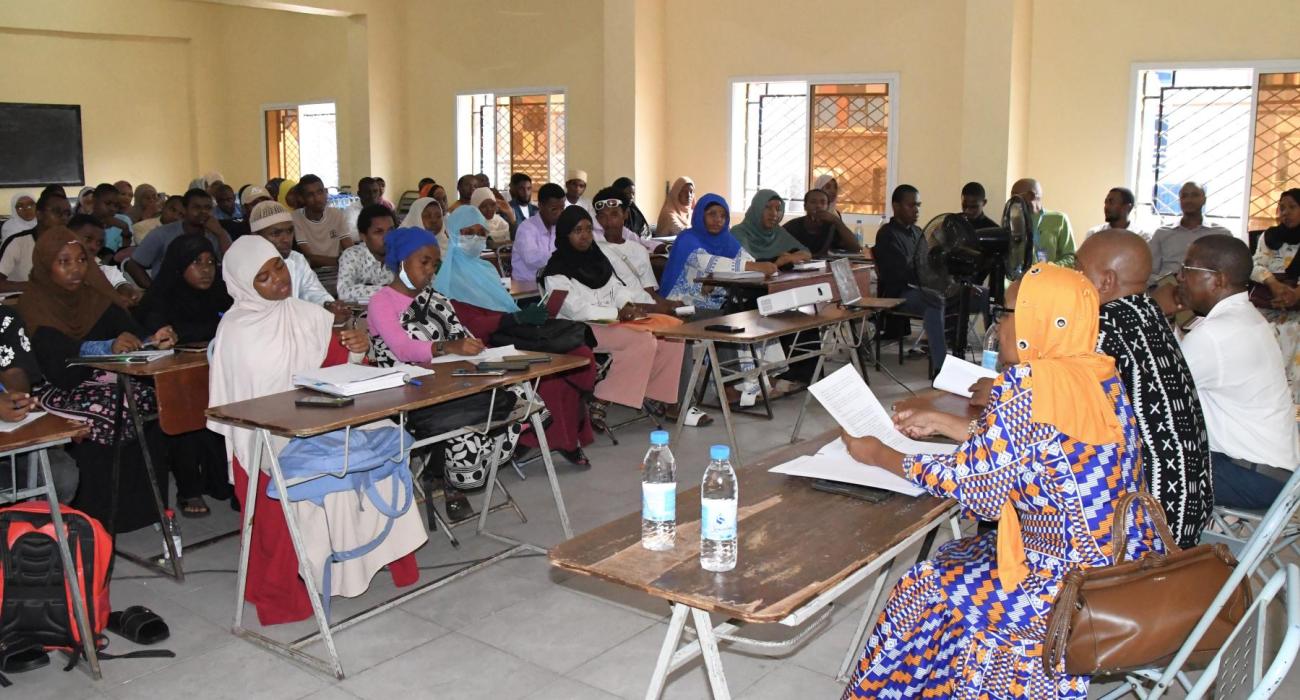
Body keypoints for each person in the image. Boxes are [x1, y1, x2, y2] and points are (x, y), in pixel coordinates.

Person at [841, 264, 1162, 699]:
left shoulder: (1031, 383)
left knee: (923, 585)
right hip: (1123, 566)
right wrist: (945, 424)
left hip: (1063, 591)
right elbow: (1042, 446)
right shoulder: (1098, 372)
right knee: (958, 555)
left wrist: (878, 454)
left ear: (1038, 320)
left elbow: (976, 490)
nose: (999, 326)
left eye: (1007, 312)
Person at [209, 235, 424, 625]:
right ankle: (300, 581)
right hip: (269, 435)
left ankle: (378, 556)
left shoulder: (307, 314)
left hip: (321, 417)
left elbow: (339, 367)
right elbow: (244, 409)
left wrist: (356, 346)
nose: (279, 279)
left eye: (278, 266)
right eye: (263, 277)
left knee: (386, 440)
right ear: (243, 285)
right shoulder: (236, 332)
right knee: (324, 469)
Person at [21, 226, 178, 531]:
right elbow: (55, 360)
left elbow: (131, 332)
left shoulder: (95, 297)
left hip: (105, 380)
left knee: (150, 401)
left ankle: (144, 511)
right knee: (107, 410)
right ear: (45, 265)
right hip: (54, 385)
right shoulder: (34, 304)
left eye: (81, 260)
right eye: (64, 262)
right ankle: (95, 517)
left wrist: (153, 339)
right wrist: (106, 347)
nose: (76, 269)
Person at [1074, 230, 1213, 547]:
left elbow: (1062, 411)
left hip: (1147, 524)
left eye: (1078, 268)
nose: (1072, 277)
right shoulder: (1149, 314)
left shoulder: (1102, 327)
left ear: (1106, 281)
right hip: (1187, 510)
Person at [434, 207, 598, 463]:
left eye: (481, 233)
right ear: (453, 233)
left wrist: (525, 314)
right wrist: (514, 319)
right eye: (468, 232)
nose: (476, 238)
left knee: (580, 353)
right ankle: (543, 440)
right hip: (483, 347)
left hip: (511, 335)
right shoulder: (446, 278)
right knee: (552, 376)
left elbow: (505, 307)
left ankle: (563, 435)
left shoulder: (486, 269)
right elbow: (468, 327)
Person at [1175, 235, 1300, 509]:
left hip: (1250, 477)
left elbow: (1155, 392)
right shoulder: (1248, 317)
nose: (1179, 278)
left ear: (1218, 280)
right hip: (1275, 474)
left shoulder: (1214, 334)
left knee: (1140, 465)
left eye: (1187, 269)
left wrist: (1156, 313)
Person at [544, 206, 685, 425]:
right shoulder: (555, 270)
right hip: (581, 327)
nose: (585, 236)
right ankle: (602, 397)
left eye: (588, 229)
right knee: (642, 340)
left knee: (673, 331)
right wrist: (617, 313)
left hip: (614, 321)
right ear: (565, 235)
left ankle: (654, 393)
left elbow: (617, 288)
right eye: (577, 231)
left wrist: (627, 305)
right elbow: (576, 309)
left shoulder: (596, 257)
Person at [133, 234, 233, 515]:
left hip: (213, 373)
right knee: (182, 409)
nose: (206, 270)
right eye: (196, 263)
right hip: (171, 382)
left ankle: (221, 478)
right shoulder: (161, 297)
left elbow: (234, 320)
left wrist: (188, 333)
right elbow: (157, 332)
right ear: (179, 266)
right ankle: (189, 489)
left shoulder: (221, 292)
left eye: (210, 262)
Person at [873, 185, 947, 375]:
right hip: (899, 292)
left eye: (918, 205)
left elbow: (928, 266)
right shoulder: (887, 234)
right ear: (896, 206)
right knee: (935, 300)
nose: (916, 210)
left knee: (973, 293)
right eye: (911, 205)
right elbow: (900, 272)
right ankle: (941, 367)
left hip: (921, 289)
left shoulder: (917, 232)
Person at [248, 201, 343, 316]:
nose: (286, 239)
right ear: (256, 237)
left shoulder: (296, 259)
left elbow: (313, 292)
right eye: (276, 234)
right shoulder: (246, 268)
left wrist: (328, 306)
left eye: (289, 231)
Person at [1251, 188, 1300, 402]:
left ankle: (1293, 404)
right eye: (1282, 208)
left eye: (1292, 207)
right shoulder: (1270, 237)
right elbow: (1255, 265)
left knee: (1293, 332)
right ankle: (1263, 401)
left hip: (1297, 309)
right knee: (1257, 335)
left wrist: (1295, 295)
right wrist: (1273, 284)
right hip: (1269, 301)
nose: (1285, 212)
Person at [126, 188, 229, 288]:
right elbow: (133, 265)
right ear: (185, 209)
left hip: (206, 291)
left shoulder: (216, 233)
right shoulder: (162, 233)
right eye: (197, 207)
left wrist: (221, 234)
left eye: (208, 208)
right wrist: (154, 290)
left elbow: (231, 265)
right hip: (169, 291)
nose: (203, 212)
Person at [1147, 181, 1229, 285]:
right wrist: (1166, 284)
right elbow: (1150, 271)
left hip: (1206, 289)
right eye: (1184, 196)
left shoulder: (1221, 235)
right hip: (1167, 288)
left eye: (1195, 195)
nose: (1189, 200)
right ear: (1179, 201)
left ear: (1204, 200)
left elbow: (1228, 272)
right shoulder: (1162, 233)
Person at [0, 190, 70, 293]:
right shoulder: (18, 242)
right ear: (39, 214)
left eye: (67, 213)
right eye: (57, 212)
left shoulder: (71, 243)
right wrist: (36, 286)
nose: (64, 218)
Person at [69, 214, 142, 303]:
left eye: (99, 243)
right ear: (69, 235)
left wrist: (126, 290)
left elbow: (116, 280)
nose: (94, 247)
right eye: (88, 239)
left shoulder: (101, 269)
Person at [730, 189, 811, 266]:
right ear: (756, 209)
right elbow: (745, 263)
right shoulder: (738, 232)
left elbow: (806, 253)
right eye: (767, 207)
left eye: (778, 209)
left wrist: (789, 258)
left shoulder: (778, 232)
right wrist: (777, 264)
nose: (774, 214)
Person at [336, 204, 396, 304]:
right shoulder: (352, 255)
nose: (387, 237)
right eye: (378, 232)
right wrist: (390, 291)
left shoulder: (402, 254)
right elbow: (343, 292)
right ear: (363, 236)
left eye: (391, 230)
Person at [1010, 177, 1076, 267]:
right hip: (1021, 276)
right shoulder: (1013, 221)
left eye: (1015, 195)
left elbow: (1071, 258)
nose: (1012, 200)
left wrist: (1047, 269)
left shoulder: (1059, 219)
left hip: (1051, 275)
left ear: (1031, 195)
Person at [290, 174, 352, 267]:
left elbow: (350, 249)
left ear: (326, 192)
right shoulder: (295, 218)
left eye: (320, 192)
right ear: (301, 198)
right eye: (310, 195)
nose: (317, 198)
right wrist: (341, 262)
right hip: (312, 271)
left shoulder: (336, 214)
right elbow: (309, 258)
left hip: (337, 270)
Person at [511, 183, 567, 283]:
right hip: (525, 287)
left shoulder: (558, 227)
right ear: (540, 206)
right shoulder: (526, 228)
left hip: (549, 284)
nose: (559, 214)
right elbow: (532, 259)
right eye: (554, 209)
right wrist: (564, 257)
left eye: (562, 208)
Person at [783, 188, 863, 256]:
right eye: (813, 202)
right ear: (805, 206)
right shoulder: (792, 226)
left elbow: (856, 248)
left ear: (827, 207)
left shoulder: (832, 227)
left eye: (823, 202)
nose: (818, 206)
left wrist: (837, 221)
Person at [92, 182, 133, 254]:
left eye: (116, 205)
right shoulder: (83, 222)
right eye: (108, 203)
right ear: (94, 201)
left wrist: (125, 229)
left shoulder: (123, 220)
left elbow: (126, 255)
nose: (112, 209)